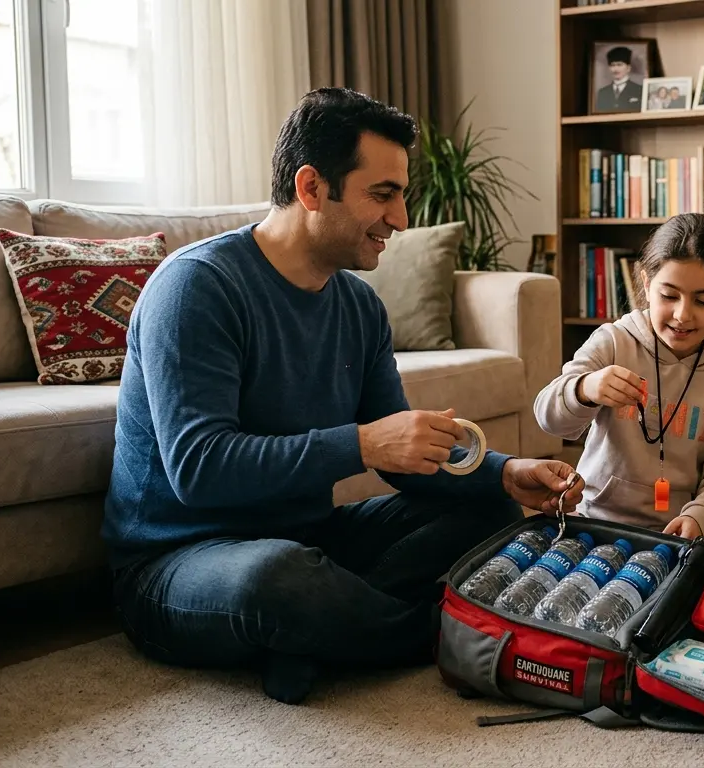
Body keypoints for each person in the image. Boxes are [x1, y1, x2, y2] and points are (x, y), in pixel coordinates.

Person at [102, 88, 584, 705]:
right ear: (311, 188)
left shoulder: (358, 305)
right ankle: (444, 634)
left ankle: (314, 637)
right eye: (382, 195)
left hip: (310, 538)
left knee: (490, 512)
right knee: (277, 581)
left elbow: (405, 456)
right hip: (178, 561)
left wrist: (506, 472)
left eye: (400, 194)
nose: (402, 218)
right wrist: (363, 443)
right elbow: (199, 470)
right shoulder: (197, 289)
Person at [533, 213, 704, 539]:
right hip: (595, 521)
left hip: (681, 535)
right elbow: (549, 419)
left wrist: (702, 516)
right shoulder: (613, 341)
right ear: (645, 282)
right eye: (669, 296)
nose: (683, 314)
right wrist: (585, 388)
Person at [594, 46, 643, 113]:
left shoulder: (639, 90)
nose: (615, 69)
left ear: (628, 68)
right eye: (612, 65)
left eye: (619, 65)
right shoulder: (603, 92)